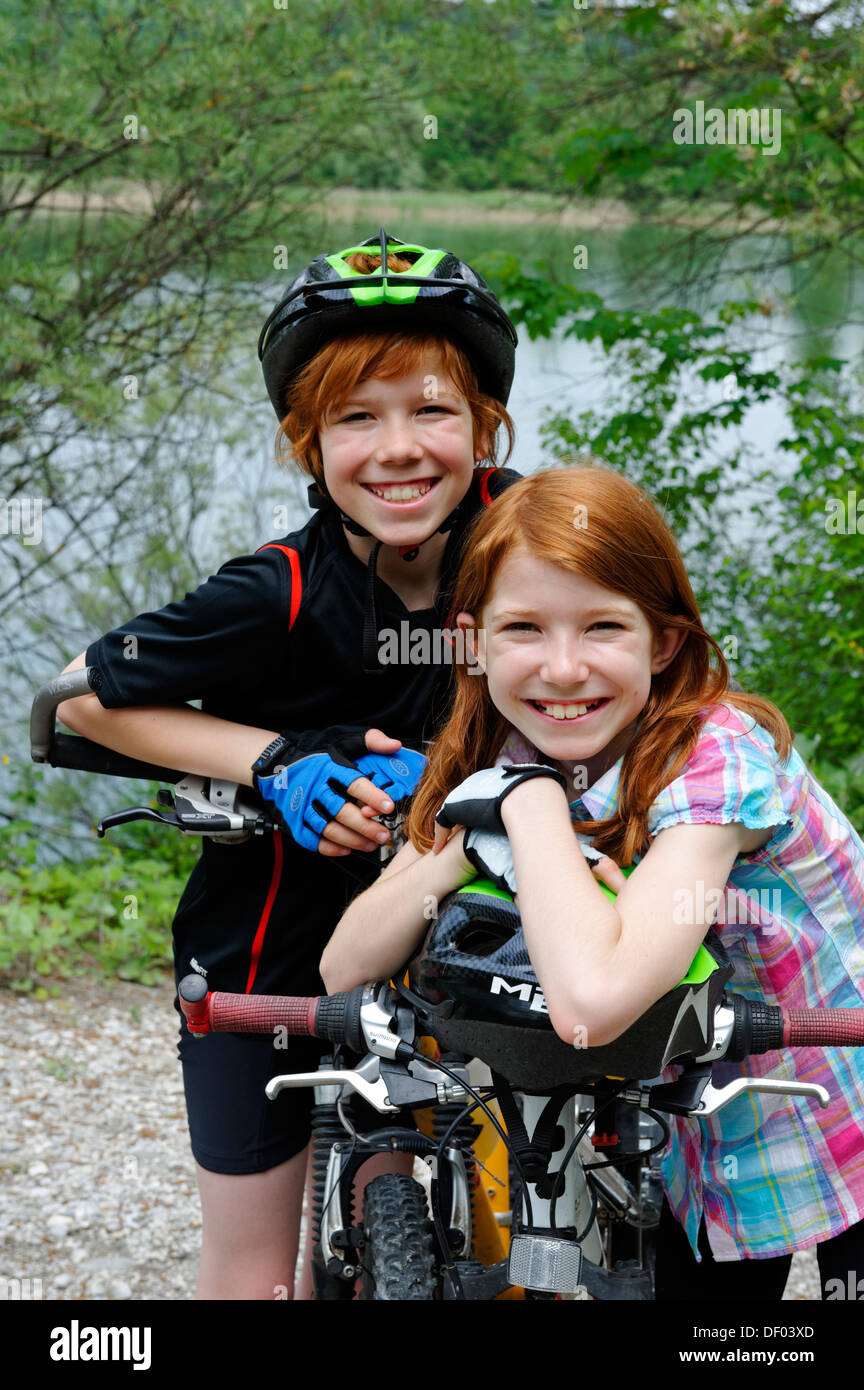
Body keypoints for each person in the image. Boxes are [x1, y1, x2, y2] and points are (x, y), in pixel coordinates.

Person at [54, 230, 520, 1299]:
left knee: (465, 1222)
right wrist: (275, 761)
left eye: (433, 409)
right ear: (303, 444)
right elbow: (76, 699)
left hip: (462, 941)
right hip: (261, 955)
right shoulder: (280, 589)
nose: (398, 447)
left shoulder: (528, 545)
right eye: (357, 417)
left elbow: (640, 674)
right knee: (255, 1271)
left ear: (486, 425)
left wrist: (462, 774)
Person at [321, 465, 864, 1300]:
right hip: (690, 1115)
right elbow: (344, 966)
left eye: (603, 626)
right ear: (474, 642)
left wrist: (525, 808)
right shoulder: (516, 751)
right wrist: (482, 828)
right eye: (524, 630)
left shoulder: (718, 756)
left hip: (831, 1084)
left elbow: (592, 1002)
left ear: (665, 641)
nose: (563, 670)